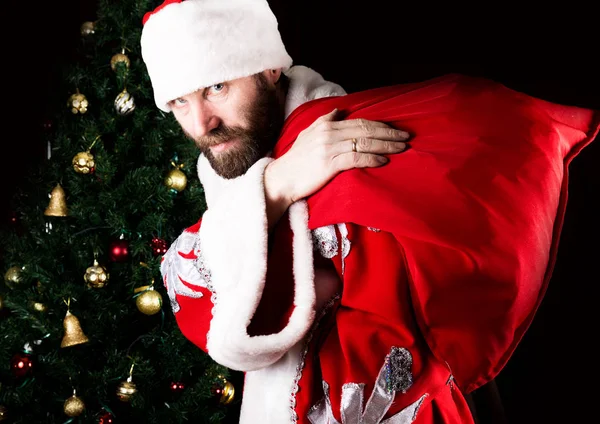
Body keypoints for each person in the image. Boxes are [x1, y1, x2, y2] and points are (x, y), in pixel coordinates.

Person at [140, 1, 599, 423]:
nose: (201, 123)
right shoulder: (232, 178)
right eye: (179, 102)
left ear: (269, 69)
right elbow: (199, 299)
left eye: (217, 87)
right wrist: (278, 185)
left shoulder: (362, 143)